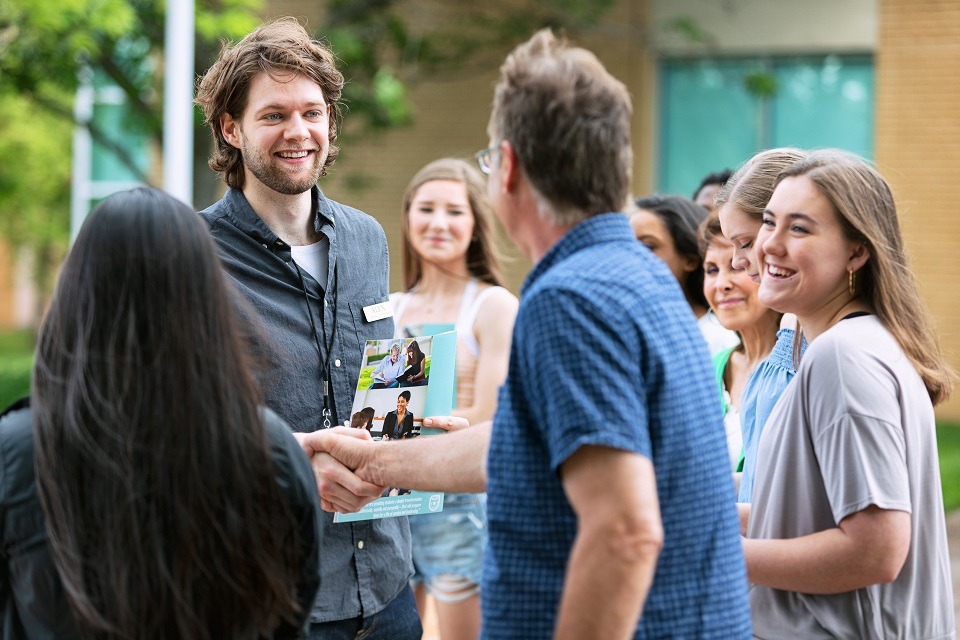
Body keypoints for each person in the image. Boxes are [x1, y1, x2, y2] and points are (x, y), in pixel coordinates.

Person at [303, 29, 751, 639]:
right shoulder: (635, 274)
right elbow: (513, 445)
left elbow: (624, 529)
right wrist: (378, 458)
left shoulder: (572, 298)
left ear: (507, 168)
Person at [0, 188, 323, 639]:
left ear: (76, 291)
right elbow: (295, 607)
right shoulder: (268, 448)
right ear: (206, 298)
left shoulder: (15, 448)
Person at [194, 18, 419, 639]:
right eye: (274, 116)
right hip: (271, 595)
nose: (299, 133)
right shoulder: (189, 253)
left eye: (312, 113)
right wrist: (289, 463)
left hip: (389, 587)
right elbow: (169, 425)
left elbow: (386, 379)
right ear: (231, 128)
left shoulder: (368, 238)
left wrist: (416, 430)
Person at [741, 151, 955, 638]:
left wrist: (706, 556)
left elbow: (875, 550)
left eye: (799, 229)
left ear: (858, 252)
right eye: (769, 222)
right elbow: (807, 513)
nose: (768, 245)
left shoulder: (843, 357)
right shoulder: (860, 344)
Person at [390, 158, 518, 640]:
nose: (438, 223)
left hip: (461, 494)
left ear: (476, 224)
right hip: (391, 498)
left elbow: (490, 416)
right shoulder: (389, 307)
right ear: (406, 219)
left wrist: (394, 437)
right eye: (425, 209)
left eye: (454, 211)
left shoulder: (493, 305)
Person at [715, 147, 808, 503]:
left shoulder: (830, 345)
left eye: (745, 243)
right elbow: (760, 483)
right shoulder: (792, 325)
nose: (738, 261)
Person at [699, 211, 781, 475]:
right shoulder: (708, 368)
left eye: (738, 267)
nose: (722, 284)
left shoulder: (800, 365)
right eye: (712, 270)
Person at [632, 194, 739, 356]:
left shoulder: (715, 339)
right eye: (627, 245)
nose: (631, 255)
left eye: (648, 246)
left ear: (690, 260)